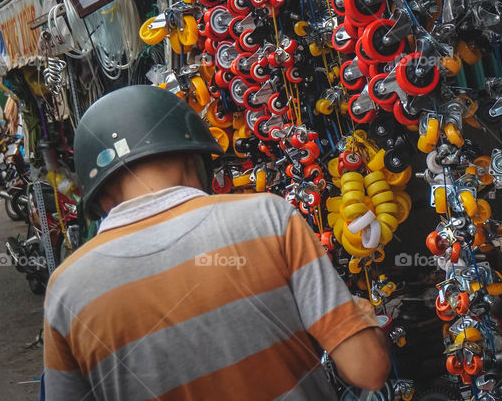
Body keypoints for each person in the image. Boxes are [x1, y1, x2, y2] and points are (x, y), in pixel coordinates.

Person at [43, 85, 390, 400]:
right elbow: (367, 370)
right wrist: (356, 312)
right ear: (193, 157)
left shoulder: (67, 289)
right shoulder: (268, 218)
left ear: (100, 197)